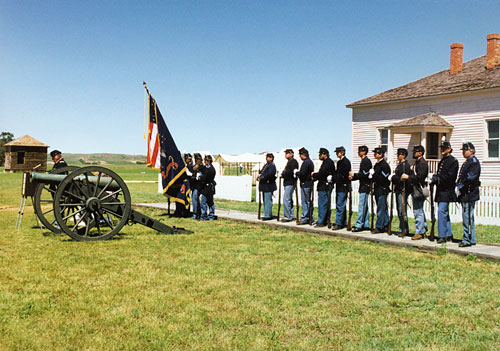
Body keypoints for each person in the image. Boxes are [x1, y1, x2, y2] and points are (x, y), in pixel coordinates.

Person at [431, 140, 459, 244]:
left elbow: (450, 176)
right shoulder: (443, 160)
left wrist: (436, 178)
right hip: (441, 190)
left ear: (449, 149)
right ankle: (448, 234)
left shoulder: (453, 161)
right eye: (441, 148)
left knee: (441, 212)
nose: (442, 150)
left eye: (444, 148)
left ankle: (442, 235)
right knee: (444, 213)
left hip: (447, 190)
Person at [456, 142, 481, 247]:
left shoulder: (473, 162)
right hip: (466, 192)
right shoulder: (468, 162)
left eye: (465, 151)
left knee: (468, 216)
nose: (463, 152)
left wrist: (460, 187)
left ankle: (468, 239)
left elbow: (470, 178)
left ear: (471, 151)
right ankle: (470, 238)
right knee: (467, 216)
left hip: (469, 192)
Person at [405, 145, 429, 240]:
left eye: (415, 152)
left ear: (420, 153)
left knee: (417, 210)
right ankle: (423, 228)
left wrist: (408, 177)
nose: (413, 153)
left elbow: (420, 177)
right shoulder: (418, 162)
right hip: (415, 188)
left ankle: (419, 231)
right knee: (419, 210)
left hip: (418, 189)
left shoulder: (422, 163)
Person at [391, 148, 414, 237]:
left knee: (402, 211)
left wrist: (394, 178)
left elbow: (402, 179)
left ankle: (404, 229)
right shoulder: (400, 165)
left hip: (402, 190)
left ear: (403, 155)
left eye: (399, 154)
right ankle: (402, 228)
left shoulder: (405, 166)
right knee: (399, 210)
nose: (398, 156)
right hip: (399, 190)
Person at [349, 145, 372, 232]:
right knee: (364, 206)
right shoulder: (363, 161)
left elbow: (364, 174)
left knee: (362, 206)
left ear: (364, 152)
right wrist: (354, 177)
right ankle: (365, 223)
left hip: (365, 186)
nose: (358, 153)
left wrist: (354, 175)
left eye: (360, 151)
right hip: (363, 185)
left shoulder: (366, 161)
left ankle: (359, 224)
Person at [311, 148, 335, 227]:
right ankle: (325, 220)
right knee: (325, 204)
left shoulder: (328, 163)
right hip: (325, 186)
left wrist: (314, 175)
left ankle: (321, 221)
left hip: (324, 186)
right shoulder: (327, 162)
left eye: (320, 154)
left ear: (324, 154)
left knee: (323, 204)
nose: (319, 156)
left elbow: (322, 174)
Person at [371, 147, 391, 233]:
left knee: (381, 208)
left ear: (381, 154)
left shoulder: (384, 165)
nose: (375, 154)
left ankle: (379, 226)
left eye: (376, 153)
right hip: (377, 189)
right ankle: (385, 225)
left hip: (382, 189)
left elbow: (384, 178)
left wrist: (374, 175)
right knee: (383, 208)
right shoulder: (377, 164)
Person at [332, 146, 350, 230]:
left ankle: (339, 223)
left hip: (343, 185)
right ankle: (343, 222)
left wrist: (334, 178)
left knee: (340, 204)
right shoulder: (339, 162)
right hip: (339, 185)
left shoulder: (346, 162)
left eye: (338, 152)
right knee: (340, 204)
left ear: (342, 152)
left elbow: (343, 175)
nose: (336, 153)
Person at [280, 149, 299, 222]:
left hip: (290, 182)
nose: (286, 155)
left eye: (287, 153)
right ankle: (291, 215)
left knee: (286, 199)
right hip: (288, 182)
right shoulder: (290, 161)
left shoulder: (293, 162)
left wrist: (283, 174)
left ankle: (288, 216)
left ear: (291, 154)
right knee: (289, 199)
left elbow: (289, 172)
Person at [297, 147, 314, 225]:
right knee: (307, 201)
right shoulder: (309, 162)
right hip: (308, 183)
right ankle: (309, 216)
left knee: (305, 201)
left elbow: (302, 174)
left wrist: (297, 173)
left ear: (303, 154)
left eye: (300, 155)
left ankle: (305, 217)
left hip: (305, 183)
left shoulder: (306, 162)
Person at [258, 153, 277, 220]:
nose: (267, 158)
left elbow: (269, 174)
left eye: (268, 157)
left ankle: (268, 215)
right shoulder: (266, 165)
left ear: (271, 158)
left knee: (268, 200)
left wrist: (262, 177)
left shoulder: (272, 165)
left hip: (268, 185)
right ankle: (267, 213)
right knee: (265, 200)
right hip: (264, 185)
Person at [199, 155, 216, 220]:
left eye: (205, 161)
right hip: (208, 187)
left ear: (208, 161)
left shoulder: (211, 170)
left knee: (204, 203)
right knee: (210, 203)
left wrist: (200, 177)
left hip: (207, 188)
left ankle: (204, 216)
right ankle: (210, 216)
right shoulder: (207, 168)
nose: (204, 162)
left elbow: (206, 178)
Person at [190, 153, 203, 219]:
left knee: (196, 198)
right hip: (194, 184)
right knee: (195, 199)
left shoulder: (202, 167)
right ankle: (196, 213)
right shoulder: (194, 165)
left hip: (199, 185)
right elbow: (193, 169)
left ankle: (197, 214)